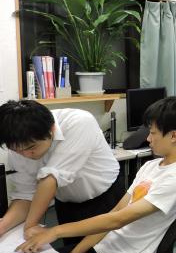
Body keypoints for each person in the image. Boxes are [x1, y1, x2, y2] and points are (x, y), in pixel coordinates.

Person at [16, 96, 176, 253]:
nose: (148, 139)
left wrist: (56, 231)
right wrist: (77, 252)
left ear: (173, 136)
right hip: (105, 250)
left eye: (153, 133)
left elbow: (118, 220)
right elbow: (115, 213)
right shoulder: (151, 166)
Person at [0, 100, 123, 243]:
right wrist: (2, 226)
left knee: (111, 251)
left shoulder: (79, 122)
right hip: (67, 205)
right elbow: (25, 195)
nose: (26, 155)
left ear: (52, 129)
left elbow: (50, 179)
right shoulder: (17, 142)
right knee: (73, 251)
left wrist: (30, 226)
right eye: (17, 151)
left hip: (106, 199)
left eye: (31, 147)